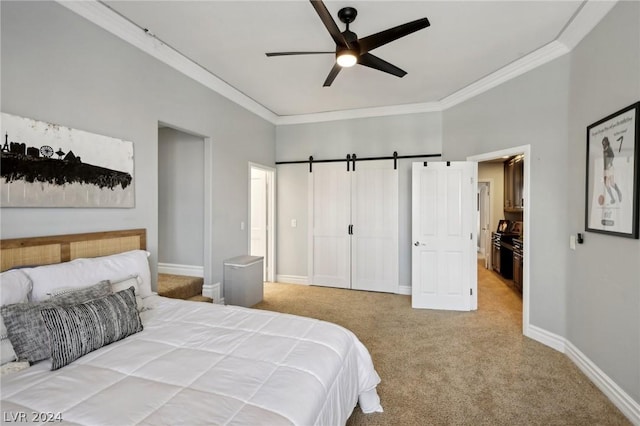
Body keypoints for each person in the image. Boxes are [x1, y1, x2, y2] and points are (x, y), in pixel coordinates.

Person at [602, 137, 622, 204]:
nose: (603, 145)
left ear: (607, 142)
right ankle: (613, 198)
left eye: (604, 143)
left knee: (612, 184)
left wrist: (609, 164)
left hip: (609, 169)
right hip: (605, 170)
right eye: (603, 144)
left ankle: (619, 193)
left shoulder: (609, 149)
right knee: (607, 185)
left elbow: (612, 156)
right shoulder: (604, 150)